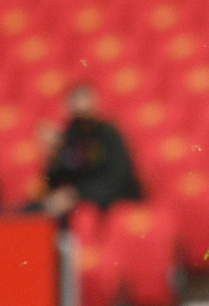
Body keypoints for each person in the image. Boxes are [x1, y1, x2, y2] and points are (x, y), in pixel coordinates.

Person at [41, 82, 143, 217]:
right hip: (77, 202)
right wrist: (54, 153)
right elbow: (57, 179)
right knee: (36, 210)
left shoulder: (109, 134)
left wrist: (77, 194)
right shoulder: (69, 137)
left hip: (110, 200)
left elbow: (117, 177)